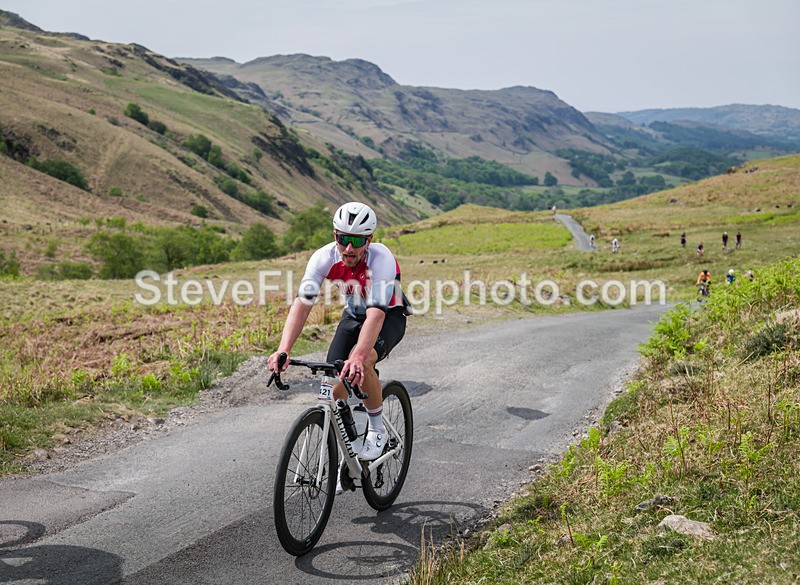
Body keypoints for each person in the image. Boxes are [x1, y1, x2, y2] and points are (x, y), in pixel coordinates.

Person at [267, 202, 408, 461]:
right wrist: (283, 349)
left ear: (369, 240)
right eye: (343, 239)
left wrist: (358, 356)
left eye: (358, 240)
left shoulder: (381, 258)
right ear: (335, 236)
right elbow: (302, 304)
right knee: (333, 383)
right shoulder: (323, 258)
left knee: (363, 361)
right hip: (353, 316)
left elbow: (376, 314)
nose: (349, 248)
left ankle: (377, 430)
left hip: (388, 316)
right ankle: (347, 444)